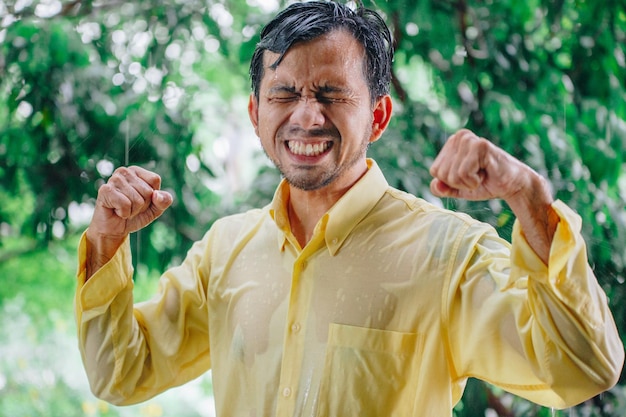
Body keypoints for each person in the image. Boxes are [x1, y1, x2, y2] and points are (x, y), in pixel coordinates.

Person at [74, 1, 624, 416]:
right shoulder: (225, 248)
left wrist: (530, 199)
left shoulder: (449, 253)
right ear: (254, 112)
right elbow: (122, 372)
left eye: (332, 94)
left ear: (379, 117)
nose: (307, 117)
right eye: (284, 94)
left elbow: (584, 367)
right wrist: (104, 241)